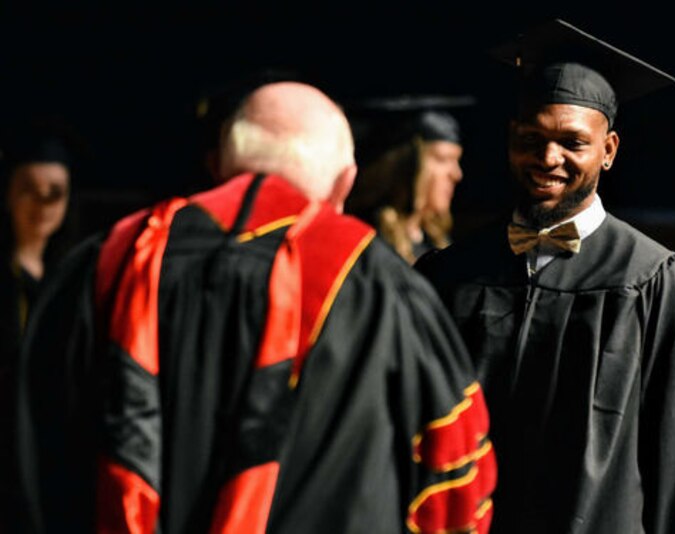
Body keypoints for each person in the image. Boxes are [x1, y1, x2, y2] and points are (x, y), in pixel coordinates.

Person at [16, 82, 495, 533]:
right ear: (344, 184)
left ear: (222, 165)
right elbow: (453, 478)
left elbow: (29, 455)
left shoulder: (106, 262)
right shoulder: (381, 282)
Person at [416, 19, 675, 533]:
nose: (547, 158)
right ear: (511, 138)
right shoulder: (451, 274)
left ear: (609, 150)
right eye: (532, 138)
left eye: (572, 142)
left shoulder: (651, 280)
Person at [0, 133, 72, 531]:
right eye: (29, 190)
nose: (43, 204)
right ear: (9, 195)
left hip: (49, 448)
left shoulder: (72, 277)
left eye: (55, 193)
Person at [347, 105, 465, 263]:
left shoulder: (438, 242)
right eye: (442, 159)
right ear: (406, 165)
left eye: (456, 161)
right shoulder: (369, 243)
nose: (457, 174)